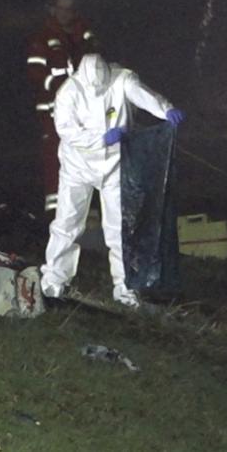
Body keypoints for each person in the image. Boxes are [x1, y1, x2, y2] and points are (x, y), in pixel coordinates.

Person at [40, 53, 184, 308]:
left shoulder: (122, 79)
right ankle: (54, 280)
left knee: (119, 228)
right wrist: (101, 138)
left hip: (115, 166)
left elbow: (143, 94)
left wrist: (165, 109)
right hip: (77, 167)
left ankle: (125, 286)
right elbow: (66, 130)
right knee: (67, 222)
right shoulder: (69, 92)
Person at [26, 0, 97, 213]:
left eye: (69, 9)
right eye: (61, 8)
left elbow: (97, 66)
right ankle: (55, 209)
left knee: (87, 155)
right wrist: (61, 89)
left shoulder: (85, 35)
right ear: (52, 9)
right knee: (54, 157)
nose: (65, 14)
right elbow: (36, 72)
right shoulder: (42, 37)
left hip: (85, 110)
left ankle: (86, 206)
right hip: (53, 110)